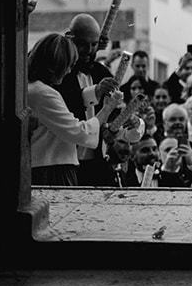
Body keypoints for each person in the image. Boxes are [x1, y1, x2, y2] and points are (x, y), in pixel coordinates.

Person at [28, 33, 123, 186]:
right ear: (56, 65)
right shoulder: (43, 93)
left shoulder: (32, 88)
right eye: (69, 66)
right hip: (52, 171)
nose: (67, 73)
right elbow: (79, 132)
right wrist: (107, 109)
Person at [58, 13, 115, 185]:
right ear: (70, 38)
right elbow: (66, 102)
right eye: (82, 44)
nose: (89, 51)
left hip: (98, 163)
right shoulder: (61, 73)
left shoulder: (102, 73)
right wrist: (95, 91)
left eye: (94, 44)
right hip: (66, 163)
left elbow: (114, 114)